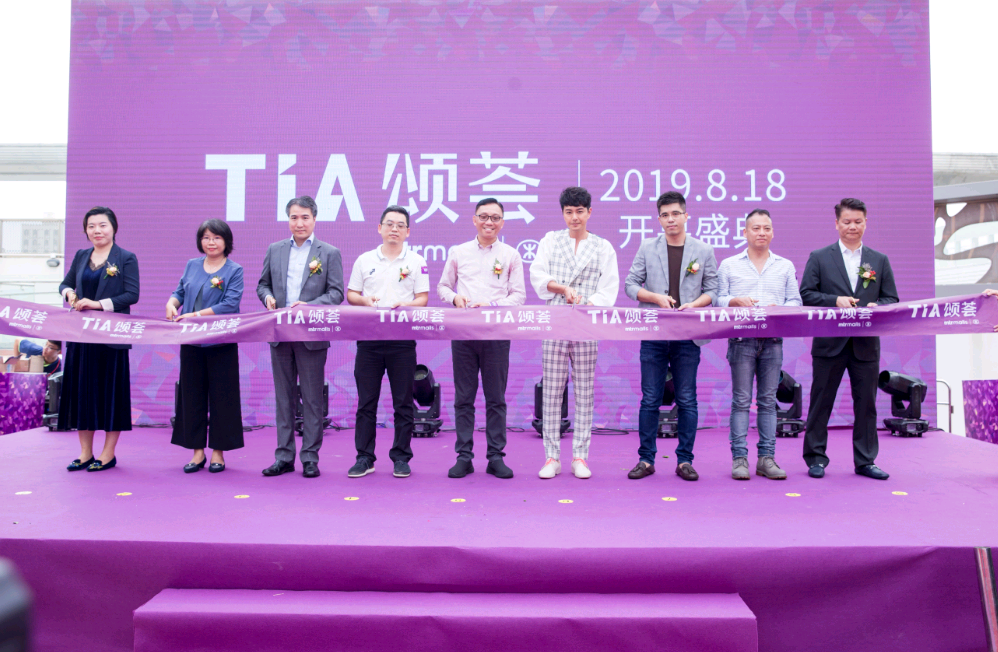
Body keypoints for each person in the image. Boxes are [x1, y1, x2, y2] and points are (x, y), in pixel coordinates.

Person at [800, 198, 899, 480]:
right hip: (829, 343)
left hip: (865, 344)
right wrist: (834, 300)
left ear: (866, 222)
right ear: (837, 224)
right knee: (821, 402)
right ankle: (815, 458)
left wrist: (878, 307)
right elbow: (806, 294)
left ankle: (866, 461)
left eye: (858, 221)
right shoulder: (820, 257)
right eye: (847, 222)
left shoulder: (878, 260)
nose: (852, 226)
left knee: (866, 404)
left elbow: (891, 298)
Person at [624, 191, 718, 481]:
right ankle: (646, 459)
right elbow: (630, 285)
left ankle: (685, 461)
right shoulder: (647, 247)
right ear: (659, 219)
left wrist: (695, 304)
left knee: (687, 399)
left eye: (675, 213)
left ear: (686, 215)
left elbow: (713, 290)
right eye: (664, 215)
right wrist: (655, 297)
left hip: (688, 335)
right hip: (654, 332)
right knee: (650, 399)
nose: (670, 219)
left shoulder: (703, 250)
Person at [529, 187, 618, 479]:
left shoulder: (603, 247)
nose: (574, 217)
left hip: (586, 325)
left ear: (589, 212)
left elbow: (609, 288)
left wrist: (586, 306)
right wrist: (562, 289)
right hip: (555, 322)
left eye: (580, 211)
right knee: (552, 392)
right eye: (569, 212)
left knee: (584, 392)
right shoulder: (550, 241)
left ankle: (580, 456)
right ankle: (551, 456)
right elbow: (538, 275)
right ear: (563, 213)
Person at [257, 196, 344, 479]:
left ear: (314, 219)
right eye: (294, 217)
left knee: (312, 399)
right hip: (280, 335)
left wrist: (310, 307)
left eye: (305, 217)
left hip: (311, 336)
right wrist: (267, 298)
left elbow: (336, 293)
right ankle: (283, 457)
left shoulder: (328, 252)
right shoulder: (275, 249)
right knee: (284, 399)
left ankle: (310, 457)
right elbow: (263, 285)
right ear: (288, 220)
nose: (299, 223)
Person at [437, 197, 525, 479]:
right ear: (474, 220)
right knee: (463, 398)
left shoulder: (511, 255)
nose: (489, 222)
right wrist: (455, 298)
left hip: (496, 334)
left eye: (495, 218)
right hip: (463, 334)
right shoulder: (459, 252)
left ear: (502, 223)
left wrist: (492, 306)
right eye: (484, 217)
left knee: (496, 398)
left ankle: (495, 457)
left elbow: (519, 297)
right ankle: (464, 457)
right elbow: (443, 287)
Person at [716, 209, 802, 481]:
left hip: (773, 341)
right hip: (741, 340)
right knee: (741, 401)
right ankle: (739, 458)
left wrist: (781, 308)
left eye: (766, 228)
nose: (761, 233)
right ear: (745, 232)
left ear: (773, 232)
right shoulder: (729, 265)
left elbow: (796, 302)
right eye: (756, 228)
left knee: (767, 401)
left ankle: (767, 458)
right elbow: (717, 299)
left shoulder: (785, 265)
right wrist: (734, 301)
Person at [346, 205, 429, 479]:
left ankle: (401, 457)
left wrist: (405, 305)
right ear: (379, 228)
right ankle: (364, 458)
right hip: (369, 340)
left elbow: (422, 298)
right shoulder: (364, 260)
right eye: (390, 224)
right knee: (366, 402)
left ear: (408, 231)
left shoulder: (416, 261)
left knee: (403, 402)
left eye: (400, 225)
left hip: (402, 341)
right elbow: (351, 294)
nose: (395, 229)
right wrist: (364, 300)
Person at [59, 206, 140, 472]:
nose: (97, 230)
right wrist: (70, 294)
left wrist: (97, 304)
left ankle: (107, 454)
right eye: (91, 226)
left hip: (111, 337)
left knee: (111, 395)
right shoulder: (81, 255)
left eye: (103, 225)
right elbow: (65, 284)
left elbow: (131, 295)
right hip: (82, 338)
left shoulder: (125, 258)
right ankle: (85, 453)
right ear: (86, 230)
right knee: (83, 395)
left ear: (114, 228)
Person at [166, 219, 244, 474]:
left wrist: (196, 315)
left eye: (217, 237)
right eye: (206, 237)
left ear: (226, 241)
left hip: (221, 341)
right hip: (191, 342)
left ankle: (218, 452)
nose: (211, 242)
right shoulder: (192, 265)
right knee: (191, 396)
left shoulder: (234, 270)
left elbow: (230, 304)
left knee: (223, 397)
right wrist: (172, 303)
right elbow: (180, 291)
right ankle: (197, 452)